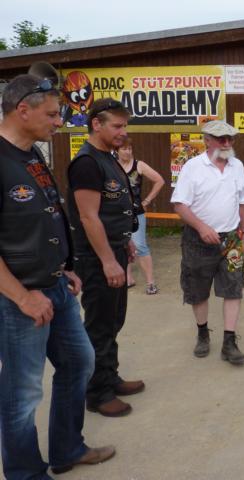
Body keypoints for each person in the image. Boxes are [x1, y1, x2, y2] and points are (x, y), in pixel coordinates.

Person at [0, 74, 115, 479]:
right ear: (22, 110)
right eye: (51, 114)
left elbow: (45, 214)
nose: (59, 121)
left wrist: (65, 266)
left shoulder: (31, 154)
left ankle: (67, 449)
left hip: (56, 286)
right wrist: (22, 296)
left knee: (79, 362)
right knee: (23, 391)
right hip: (19, 299)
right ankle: (26, 473)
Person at [67, 98, 144, 417]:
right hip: (97, 258)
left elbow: (112, 210)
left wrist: (125, 241)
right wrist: (108, 261)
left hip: (115, 249)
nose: (123, 132)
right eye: (117, 126)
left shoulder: (107, 158)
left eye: (125, 126)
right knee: (99, 324)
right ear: (96, 124)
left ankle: (109, 377)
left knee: (114, 319)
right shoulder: (86, 163)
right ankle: (97, 393)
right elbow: (89, 217)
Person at [171, 120, 244, 364]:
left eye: (230, 138)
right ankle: (203, 333)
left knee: (234, 287)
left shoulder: (237, 166)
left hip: (232, 239)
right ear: (207, 140)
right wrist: (201, 227)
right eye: (221, 138)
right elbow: (180, 205)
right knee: (198, 290)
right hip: (198, 240)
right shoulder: (193, 167)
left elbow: (242, 202)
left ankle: (229, 342)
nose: (227, 143)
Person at [117, 137, 165, 294]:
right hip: (117, 214)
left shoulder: (139, 165)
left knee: (140, 246)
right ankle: (128, 279)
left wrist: (147, 200)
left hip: (136, 213)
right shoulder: (111, 165)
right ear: (116, 151)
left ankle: (150, 283)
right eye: (124, 149)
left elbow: (159, 181)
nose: (128, 152)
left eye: (130, 149)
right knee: (121, 246)